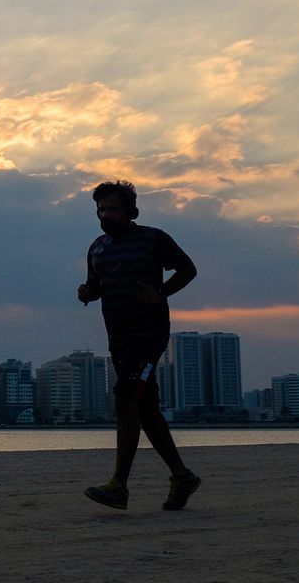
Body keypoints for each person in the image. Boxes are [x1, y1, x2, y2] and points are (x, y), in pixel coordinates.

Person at [78, 180, 200, 511]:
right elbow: (95, 285)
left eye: (112, 208)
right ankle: (182, 476)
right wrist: (88, 292)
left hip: (148, 334)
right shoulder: (97, 248)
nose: (105, 214)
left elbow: (188, 269)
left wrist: (160, 293)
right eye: (100, 210)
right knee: (144, 408)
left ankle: (119, 485)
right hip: (118, 338)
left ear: (131, 211)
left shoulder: (153, 239)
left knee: (124, 401)